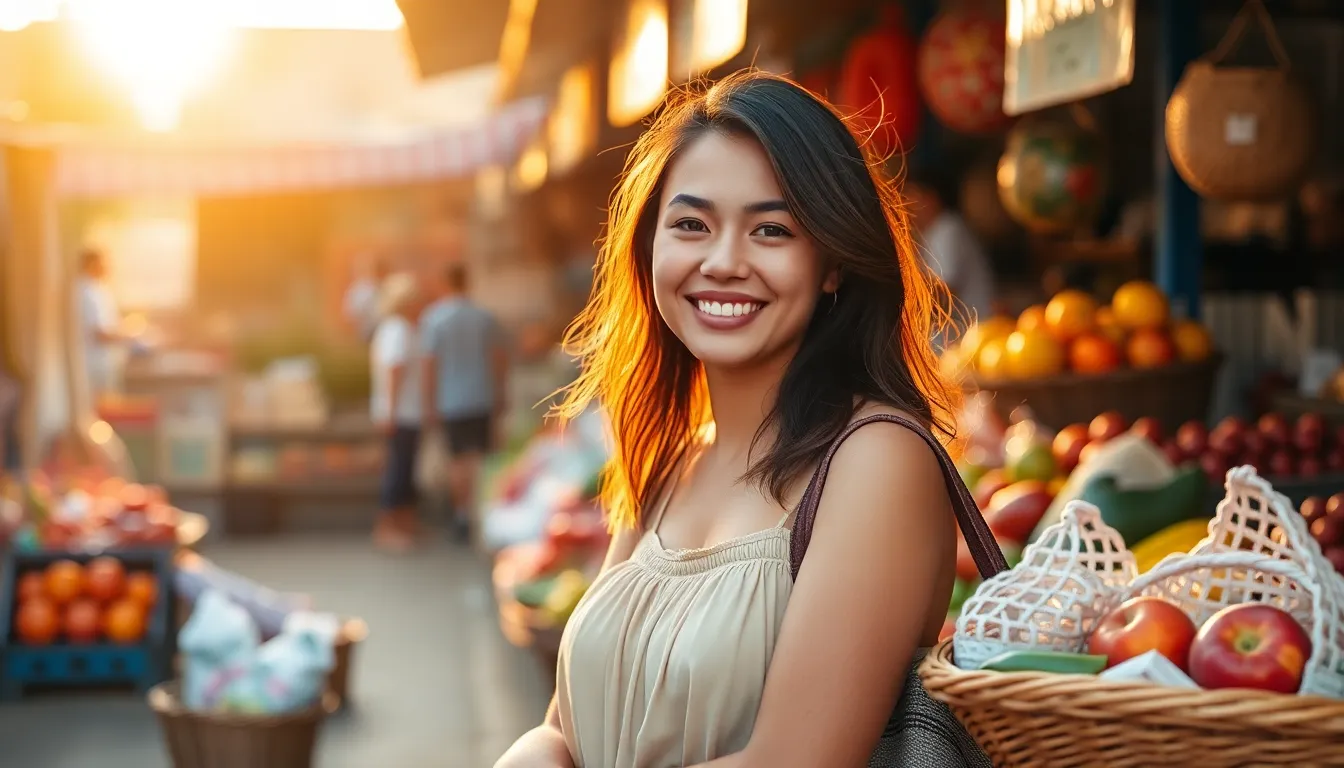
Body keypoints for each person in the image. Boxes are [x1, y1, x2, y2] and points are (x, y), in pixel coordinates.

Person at [496, 71, 969, 768]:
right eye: (691, 224)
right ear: (650, 244)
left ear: (833, 263)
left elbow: (792, 760)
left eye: (771, 230)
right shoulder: (673, 462)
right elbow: (568, 726)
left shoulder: (876, 463)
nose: (723, 262)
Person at [420, 263, 507, 539]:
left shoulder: (434, 319)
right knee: (480, 459)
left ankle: (460, 516)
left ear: (445, 284)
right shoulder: (484, 317)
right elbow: (497, 358)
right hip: (480, 396)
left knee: (457, 461)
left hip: (450, 399)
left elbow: (430, 364)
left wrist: (429, 402)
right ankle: (479, 514)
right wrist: (500, 393)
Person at [369, 272, 425, 552]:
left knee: (405, 470)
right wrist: (390, 412)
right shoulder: (397, 330)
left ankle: (404, 524)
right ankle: (387, 528)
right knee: (398, 471)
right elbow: (395, 370)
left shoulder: (395, 328)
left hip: (404, 412)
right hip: (402, 413)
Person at [903, 165, 996, 327]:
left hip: (976, 334)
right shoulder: (932, 233)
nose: (906, 204)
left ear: (931, 198)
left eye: (912, 195)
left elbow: (944, 294)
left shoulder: (948, 229)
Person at [74, 248, 125, 401]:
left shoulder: (98, 289)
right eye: (103, 262)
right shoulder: (86, 292)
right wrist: (132, 336)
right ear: (92, 263)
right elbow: (101, 333)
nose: (108, 266)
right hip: (93, 363)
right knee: (101, 410)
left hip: (102, 362)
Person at [343, 255, 389, 342]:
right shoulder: (357, 291)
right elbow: (351, 315)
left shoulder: (381, 288)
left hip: (380, 332)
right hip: (364, 333)